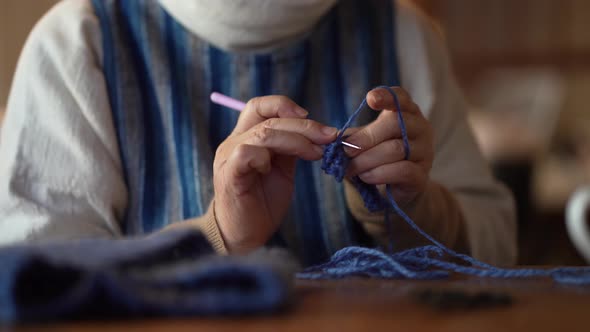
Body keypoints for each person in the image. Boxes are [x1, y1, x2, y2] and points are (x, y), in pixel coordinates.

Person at [0, 0, 516, 266]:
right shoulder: (80, 42)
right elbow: (35, 284)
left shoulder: (404, 33)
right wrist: (218, 235)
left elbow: (496, 248)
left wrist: (413, 207)